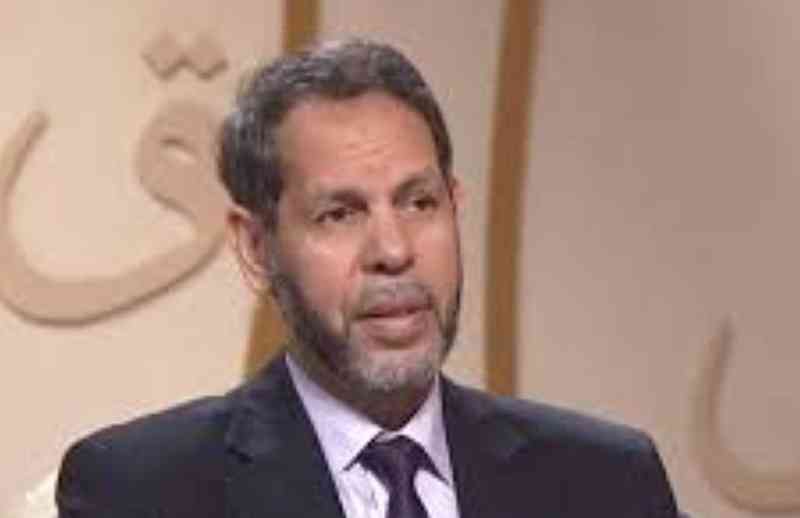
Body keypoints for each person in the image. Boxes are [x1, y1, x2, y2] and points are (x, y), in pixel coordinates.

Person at [56, 38, 680, 518]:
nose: (394, 250)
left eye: (419, 203)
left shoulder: (607, 483)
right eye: (340, 214)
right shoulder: (142, 492)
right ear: (256, 247)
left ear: (455, 205)